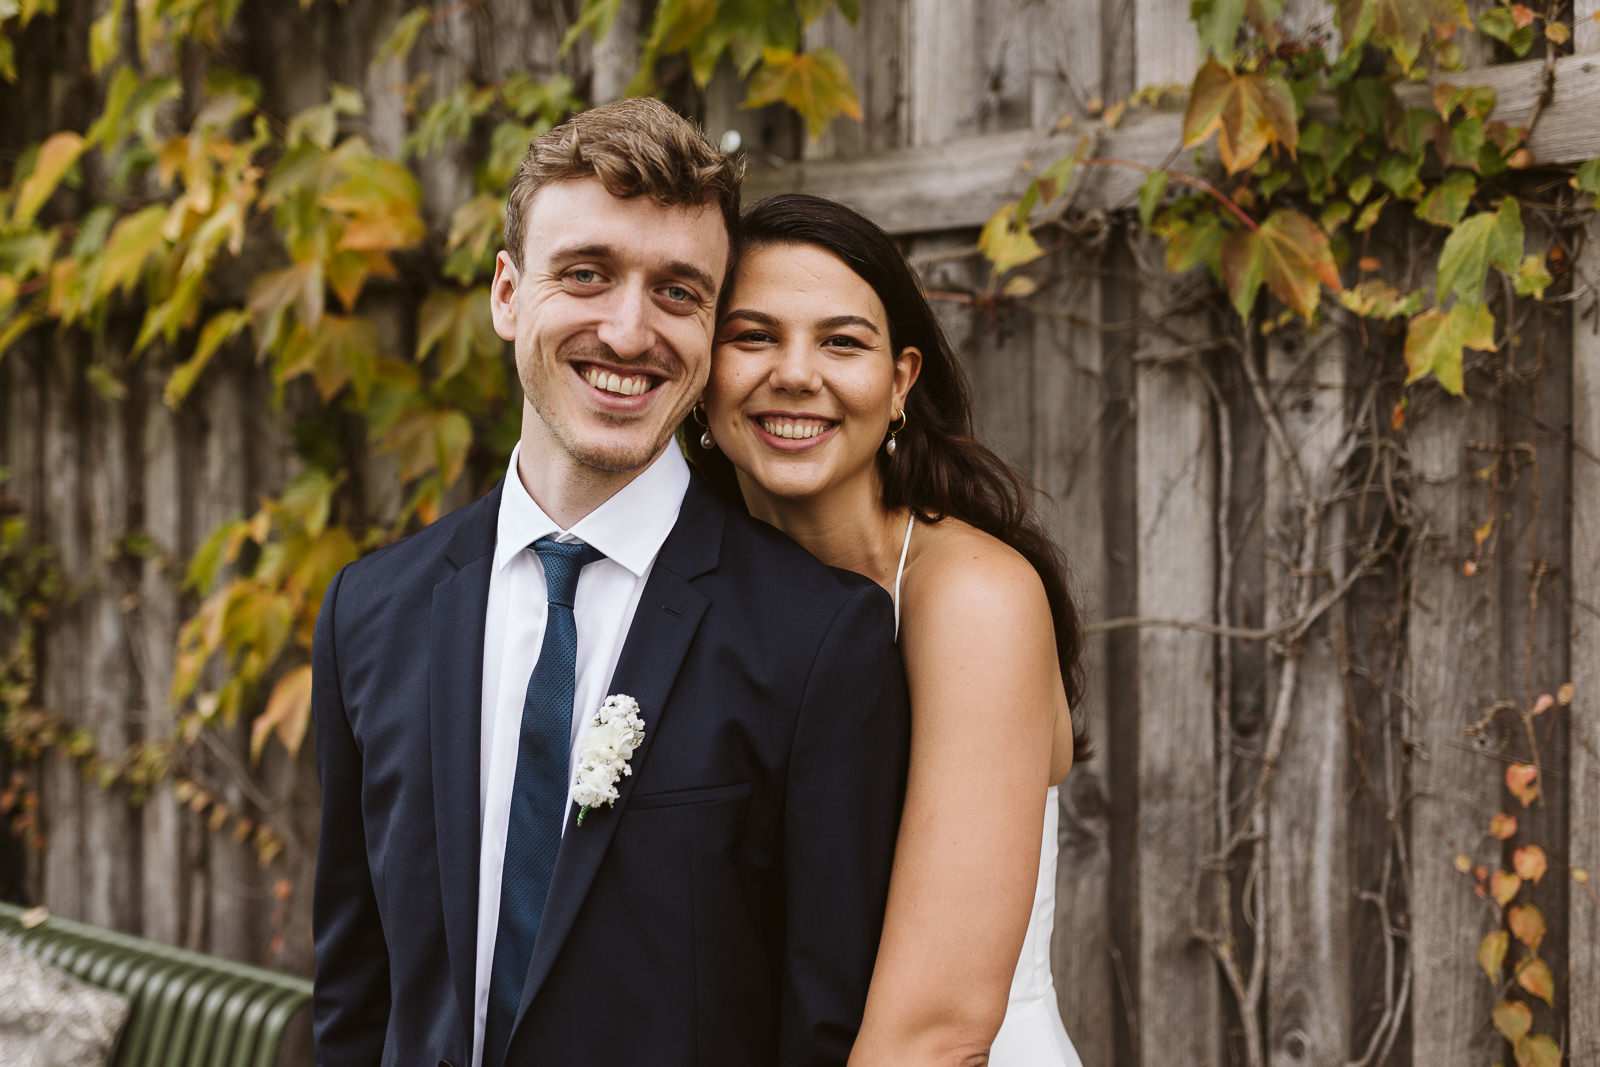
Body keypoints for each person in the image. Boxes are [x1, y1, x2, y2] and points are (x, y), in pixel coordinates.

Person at [310, 103, 910, 1067]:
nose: (630, 331)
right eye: (586, 274)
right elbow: (355, 990)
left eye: (679, 292)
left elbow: (825, 1021)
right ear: (508, 294)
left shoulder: (817, 640)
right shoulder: (369, 613)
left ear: (712, 330)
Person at [698, 193, 1089, 1066]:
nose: (795, 373)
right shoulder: (689, 586)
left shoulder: (975, 600)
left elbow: (938, 1030)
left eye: (842, 341)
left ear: (901, 380)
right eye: (753, 336)